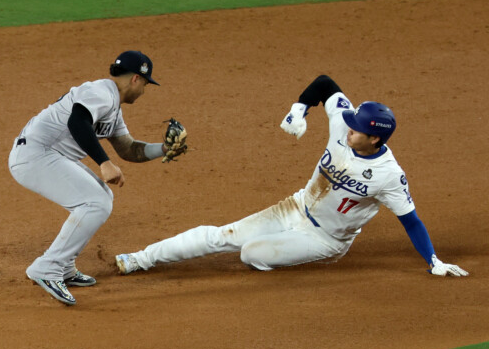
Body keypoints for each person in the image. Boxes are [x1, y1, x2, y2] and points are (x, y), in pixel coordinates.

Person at [115, 75, 468, 278]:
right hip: (295, 207)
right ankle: (140, 258)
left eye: (357, 130)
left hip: (327, 239)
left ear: (375, 138)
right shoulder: (343, 124)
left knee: (251, 254)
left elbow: (411, 221)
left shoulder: (389, 176)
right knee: (224, 235)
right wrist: (300, 108)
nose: (348, 129)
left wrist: (433, 260)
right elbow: (326, 83)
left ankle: (289, 254)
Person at [9, 50, 187, 305]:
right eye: (146, 84)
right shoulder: (100, 92)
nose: (145, 91)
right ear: (136, 79)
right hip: (36, 154)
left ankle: (65, 266)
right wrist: (104, 163)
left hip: (46, 155)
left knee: (102, 197)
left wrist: (163, 149)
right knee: (95, 202)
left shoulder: (112, 107)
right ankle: (48, 268)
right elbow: (77, 122)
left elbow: (128, 149)